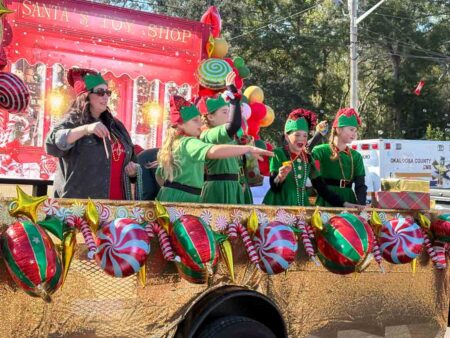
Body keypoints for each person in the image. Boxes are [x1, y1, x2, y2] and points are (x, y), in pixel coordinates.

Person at [156, 95, 273, 203]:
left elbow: (160, 176)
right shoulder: (191, 141)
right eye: (195, 121)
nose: (199, 123)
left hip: (180, 195)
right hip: (189, 197)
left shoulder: (175, 142)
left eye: (199, 120)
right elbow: (213, 150)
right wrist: (247, 149)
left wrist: (171, 189)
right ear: (180, 124)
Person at [45, 68, 139, 199]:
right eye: (100, 92)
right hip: (81, 208)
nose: (106, 96)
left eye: (107, 92)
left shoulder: (116, 126)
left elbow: (132, 159)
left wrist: (134, 172)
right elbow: (52, 144)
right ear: (86, 95)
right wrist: (86, 129)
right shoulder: (73, 122)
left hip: (117, 207)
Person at [263, 109, 352, 207]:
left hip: (302, 207)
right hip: (279, 205)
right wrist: (280, 177)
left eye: (305, 136)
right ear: (287, 137)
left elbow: (321, 188)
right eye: (297, 135)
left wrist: (344, 203)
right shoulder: (278, 154)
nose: (301, 138)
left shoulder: (307, 158)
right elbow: (274, 187)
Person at [200, 72, 245, 204]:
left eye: (229, 111)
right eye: (225, 112)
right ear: (210, 117)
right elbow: (234, 124)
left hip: (233, 187)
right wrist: (234, 97)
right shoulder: (208, 134)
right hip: (218, 189)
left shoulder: (228, 136)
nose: (229, 115)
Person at [311, 108, 367, 208]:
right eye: (351, 129)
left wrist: (361, 205)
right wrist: (317, 135)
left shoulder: (356, 156)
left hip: (350, 199)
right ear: (338, 129)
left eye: (356, 130)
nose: (354, 134)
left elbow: (360, 185)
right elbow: (304, 153)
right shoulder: (320, 151)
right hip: (327, 199)